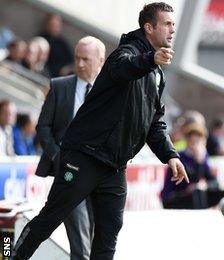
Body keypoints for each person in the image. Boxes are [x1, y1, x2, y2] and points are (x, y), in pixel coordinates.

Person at [13, 3, 189, 260]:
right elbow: (124, 68)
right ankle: (8, 255)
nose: (173, 29)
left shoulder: (157, 74)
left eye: (174, 24)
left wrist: (171, 155)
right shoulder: (125, 54)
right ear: (149, 28)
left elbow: (154, 123)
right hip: (83, 157)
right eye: (167, 24)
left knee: (108, 235)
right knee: (49, 219)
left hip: (114, 167)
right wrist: (150, 59)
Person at [34, 36, 106, 260]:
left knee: (96, 239)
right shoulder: (59, 86)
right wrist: (57, 156)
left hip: (99, 175)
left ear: (101, 61)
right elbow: (43, 126)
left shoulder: (110, 92)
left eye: (86, 59)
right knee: (80, 241)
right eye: (77, 58)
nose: (80, 63)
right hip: (67, 174)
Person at [161, 123, 224, 209]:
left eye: (197, 142)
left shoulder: (203, 156)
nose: (195, 145)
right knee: (196, 193)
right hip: (176, 196)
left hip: (194, 195)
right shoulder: (180, 157)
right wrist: (198, 162)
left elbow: (214, 182)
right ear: (187, 141)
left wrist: (206, 185)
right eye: (192, 142)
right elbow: (192, 181)